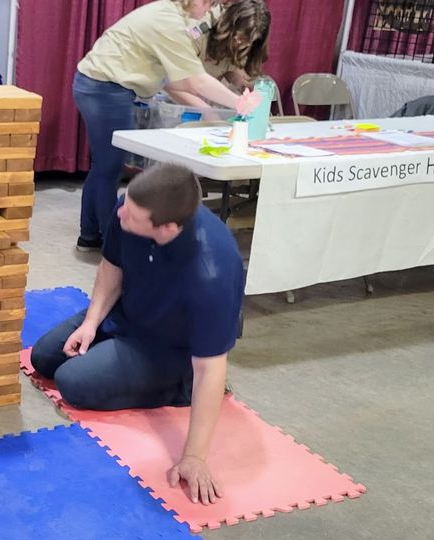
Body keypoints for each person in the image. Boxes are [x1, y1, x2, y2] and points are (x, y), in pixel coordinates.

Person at [30, 163, 244, 505]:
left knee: (72, 382)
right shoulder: (128, 208)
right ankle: (113, 352)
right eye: (125, 205)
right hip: (129, 312)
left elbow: (211, 367)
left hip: (170, 348)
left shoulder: (211, 270)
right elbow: (111, 269)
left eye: (131, 215)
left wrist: (194, 457)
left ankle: (177, 387)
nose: (120, 216)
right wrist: (91, 323)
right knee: (43, 357)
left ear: (168, 228)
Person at [72, 0, 270, 252]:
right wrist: (239, 104)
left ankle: (90, 236)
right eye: (209, 3)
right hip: (106, 87)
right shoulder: (170, 22)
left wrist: (239, 97)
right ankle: (115, 247)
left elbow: (192, 79)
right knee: (108, 168)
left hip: (100, 84)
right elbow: (194, 81)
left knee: (104, 166)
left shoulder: (174, 15)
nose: (210, 9)